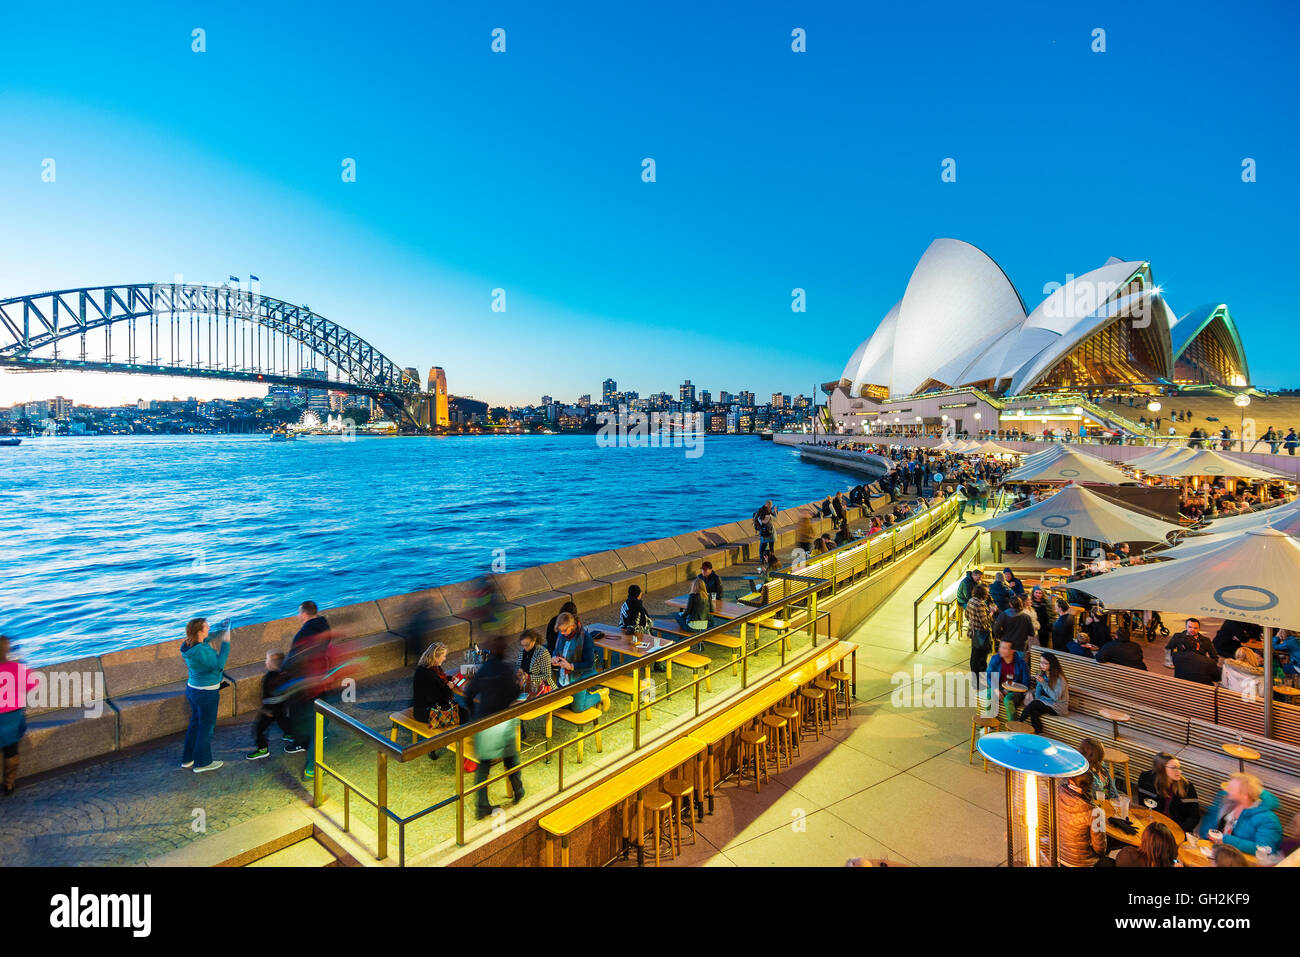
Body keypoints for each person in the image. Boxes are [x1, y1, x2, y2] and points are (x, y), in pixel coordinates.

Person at [462, 634, 525, 819]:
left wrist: (475, 715)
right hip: (502, 721)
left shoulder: (484, 669)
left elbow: (469, 693)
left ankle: (481, 805)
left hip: (484, 721)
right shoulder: (506, 670)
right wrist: (519, 684)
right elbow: (513, 694)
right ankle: (518, 790)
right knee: (511, 759)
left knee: (484, 764)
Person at [283, 600, 333, 779]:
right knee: (316, 715)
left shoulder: (304, 633)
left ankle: (311, 765)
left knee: (306, 716)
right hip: (320, 677)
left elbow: (295, 658)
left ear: (303, 614)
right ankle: (314, 737)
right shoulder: (324, 625)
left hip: (307, 681)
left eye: (299, 613)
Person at [180, 616, 231, 774]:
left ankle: (188, 759)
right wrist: (226, 641)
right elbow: (218, 665)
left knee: (195, 724)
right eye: (207, 626)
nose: (209, 628)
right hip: (206, 692)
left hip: (193, 690)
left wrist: (220, 627)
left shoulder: (187, 645)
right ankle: (203, 762)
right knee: (206, 728)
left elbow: (205, 638)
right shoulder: (202, 651)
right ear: (199, 631)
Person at [1198, 773, 1284, 856]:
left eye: (1232, 788)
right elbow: (1209, 826)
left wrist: (1227, 840)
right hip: (1223, 854)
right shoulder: (1229, 804)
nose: (1227, 789)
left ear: (1245, 795)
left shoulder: (1268, 819)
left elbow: (1266, 849)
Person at [0, 635, 39, 795]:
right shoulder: (18, 668)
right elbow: (33, 684)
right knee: (11, 751)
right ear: (7, 649)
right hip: (12, 717)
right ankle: (9, 783)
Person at [1055, 772, 1111, 866]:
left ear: (1070, 779)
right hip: (1082, 862)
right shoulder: (1095, 812)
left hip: (1059, 856)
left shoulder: (1058, 792)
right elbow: (1100, 849)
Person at [246, 651, 293, 760]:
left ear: (272, 664)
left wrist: (265, 708)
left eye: (267, 660)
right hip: (281, 708)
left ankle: (262, 749)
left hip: (270, 710)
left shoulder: (270, 677)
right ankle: (292, 734)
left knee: (259, 729)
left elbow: (269, 695)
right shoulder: (284, 674)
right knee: (283, 721)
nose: (265, 662)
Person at [1137, 752, 1200, 832]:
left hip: (1176, 828)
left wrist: (1179, 832)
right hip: (1152, 824)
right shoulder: (1146, 779)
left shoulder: (1187, 787)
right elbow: (1143, 806)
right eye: (1174, 768)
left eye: (1179, 768)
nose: (1179, 772)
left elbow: (1194, 817)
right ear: (1161, 769)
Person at [551, 612, 600, 710]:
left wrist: (571, 666)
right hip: (564, 676)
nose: (562, 633)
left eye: (564, 630)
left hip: (580, 676)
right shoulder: (562, 635)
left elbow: (590, 663)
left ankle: (600, 695)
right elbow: (556, 650)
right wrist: (554, 657)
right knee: (564, 706)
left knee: (578, 709)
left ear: (572, 626)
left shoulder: (585, 638)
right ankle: (583, 695)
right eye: (560, 631)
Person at [1016, 651, 1068, 733]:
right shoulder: (1044, 674)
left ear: (1052, 664)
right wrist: (1040, 683)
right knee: (1034, 711)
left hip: (1059, 707)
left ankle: (1018, 723)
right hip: (1048, 703)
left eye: (1045, 663)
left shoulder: (1059, 678)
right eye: (1040, 662)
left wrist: (1043, 683)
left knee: (1035, 704)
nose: (1041, 665)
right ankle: (1038, 733)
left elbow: (1056, 697)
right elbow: (1038, 696)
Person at [966, 584, 994, 691]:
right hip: (982, 634)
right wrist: (991, 613)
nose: (988, 594)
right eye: (986, 592)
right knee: (981, 660)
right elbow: (985, 622)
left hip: (973, 633)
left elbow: (967, 616)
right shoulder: (980, 604)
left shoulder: (971, 601)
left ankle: (974, 682)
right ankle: (979, 683)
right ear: (982, 593)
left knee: (974, 658)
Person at [1078, 737, 1119, 801]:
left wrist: (1116, 800)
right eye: (1080, 749)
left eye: (1084, 751)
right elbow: (1092, 797)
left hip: (1108, 803)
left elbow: (1112, 790)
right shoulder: (1084, 773)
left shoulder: (1102, 767)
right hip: (1096, 805)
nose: (1079, 752)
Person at [516, 629, 553, 696]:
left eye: (527, 645)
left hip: (539, 689)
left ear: (534, 641)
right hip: (525, 687)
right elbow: (518, 665)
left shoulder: (543, 653)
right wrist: (519, 672)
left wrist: (529, 677)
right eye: (522, 645)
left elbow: (547, 676)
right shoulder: (522, 650)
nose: (525, 648)